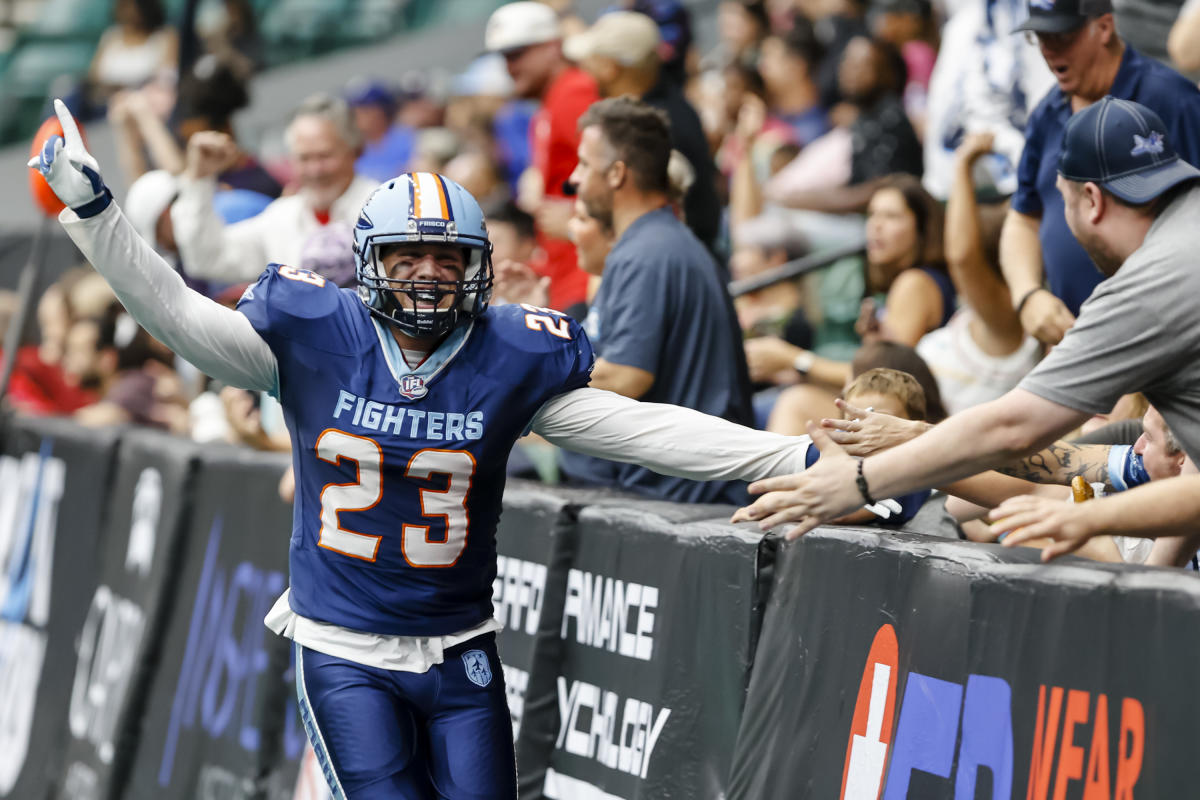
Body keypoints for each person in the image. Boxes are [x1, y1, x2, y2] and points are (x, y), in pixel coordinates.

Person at [33, 99, 819, 799]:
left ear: (477, 268)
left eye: (449, 258)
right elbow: (174, 313)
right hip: (343, 647)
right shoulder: (315, 336)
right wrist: (98, 212)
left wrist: (794, 459)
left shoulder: (507, 354)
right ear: (369, 261)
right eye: (409, 255)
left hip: (460, 646)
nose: (429, 275)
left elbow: (642, 429)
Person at [730, 96, 1200, 546]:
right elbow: (1094, 468)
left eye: (1062, 207)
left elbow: (1014, 429)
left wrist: (861, 480)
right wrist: (913, 434)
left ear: (1091, 200)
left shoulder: (1151, 283)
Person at [561, 97, 756, 504]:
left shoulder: (648, 253)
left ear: (616, 174)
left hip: (684, 501)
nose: (575, 179)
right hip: (680, 491)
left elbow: (627, 377)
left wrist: (527, 372)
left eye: (583, 164)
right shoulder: (651, 242)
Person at [1000, 0, 1200, 345]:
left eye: (1060, 37)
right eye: (1039, 38)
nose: (1048, 50)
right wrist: (1028, 294)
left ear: (1104, 28)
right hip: (1074, 343)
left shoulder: (1170, 99)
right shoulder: (1048, 113)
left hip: (1162, 343)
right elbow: (1023, 218)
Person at [170, 93, 379, 287]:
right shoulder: (280, 218)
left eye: (324, 156)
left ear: (355, 150)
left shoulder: (383, 207)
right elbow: (206, 259)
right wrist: (199, 180)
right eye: (304, 158)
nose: (315, 170)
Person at [565, 10, 721, 253]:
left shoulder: (652, 130)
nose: (585, 71)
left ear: (609, 67)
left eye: (591, 60)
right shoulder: (671, 109)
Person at [486, 1, 600, 316]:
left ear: (553, 46)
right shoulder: (552, 101)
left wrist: (580, 217)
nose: (510, 67)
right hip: (565, 275)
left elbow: (621, 170)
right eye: (504, 57)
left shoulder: (574, 92)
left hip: (585, 277)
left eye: (517, 53)